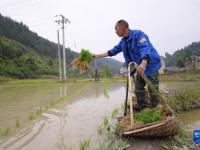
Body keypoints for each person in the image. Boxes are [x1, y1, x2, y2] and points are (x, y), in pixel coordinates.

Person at [93, 19, 162, 111]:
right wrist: (97, 56)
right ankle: (143, 107)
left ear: (123, 28)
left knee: (152, 88)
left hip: (150, 64)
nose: (115, 31)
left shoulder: (138, 35)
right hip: (139, 67)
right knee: (138, 87)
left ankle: (155, 109)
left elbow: (144, 48)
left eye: (116, 29)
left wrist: (144, 63)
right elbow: (112, 51)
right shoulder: (123, 42)